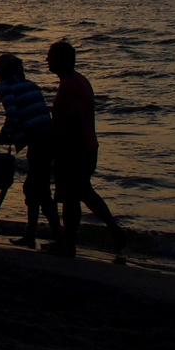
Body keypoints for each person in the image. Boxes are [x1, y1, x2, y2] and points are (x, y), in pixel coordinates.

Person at [46, 39, 127, 261]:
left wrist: (71, 153)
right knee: (82, 193)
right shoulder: (79, 80)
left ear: (60, 61)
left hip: (75, 149)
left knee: (73, 198)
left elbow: (75, 119)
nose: (46, 60)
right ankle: (110, 231)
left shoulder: (70, 85)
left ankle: (70, 244)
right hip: (87, 146)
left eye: (50, 56)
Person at [0, 52, 62, 249]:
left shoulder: (7, 87)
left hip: (38, 141)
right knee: (35, 189)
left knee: (37, 189)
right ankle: (31, 236)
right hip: (48, 138)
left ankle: (59, 237)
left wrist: (4, 134)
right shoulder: (30, 85)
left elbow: (13, 116)